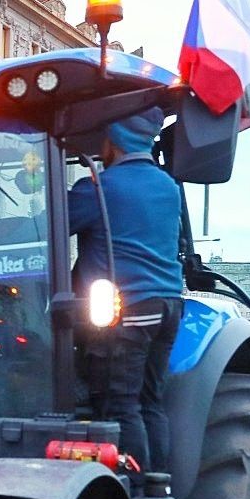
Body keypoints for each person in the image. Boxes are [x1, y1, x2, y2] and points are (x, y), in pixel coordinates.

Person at [68, 108, 185, 473]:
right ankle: (158, 488)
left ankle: (135, 494)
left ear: (115, 139)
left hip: (128, 308)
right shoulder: (168, 186)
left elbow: (46, 226)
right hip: (167, 306)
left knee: (120, 405)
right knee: (150, 402)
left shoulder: (100, 189)